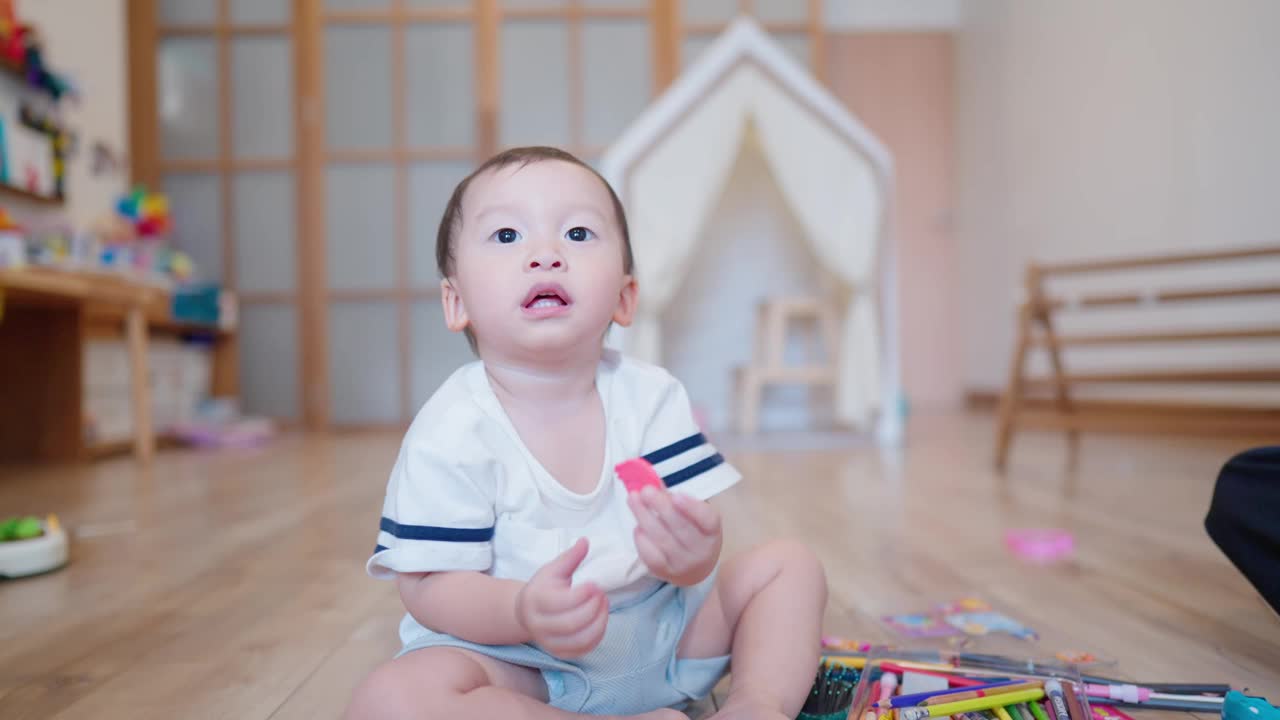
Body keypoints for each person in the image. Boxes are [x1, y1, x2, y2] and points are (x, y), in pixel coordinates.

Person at [344, 147, 827, 720]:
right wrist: (523, 609)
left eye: (576, 233)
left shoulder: (650, 397)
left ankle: (757, 705)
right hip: (523, 662)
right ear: (457, 301)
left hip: (665, 633)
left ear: (625, 297)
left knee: (788, 565)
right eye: (506, 237)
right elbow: (428, 588)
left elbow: (691, 558)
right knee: (392, 700)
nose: (544, 255)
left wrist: (694, 556)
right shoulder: (451, 430)